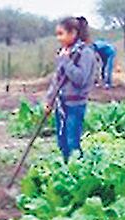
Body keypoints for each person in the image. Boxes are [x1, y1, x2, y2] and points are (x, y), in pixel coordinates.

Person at [45, 16, 97, 162]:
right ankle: (66, 171)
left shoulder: (85, 53)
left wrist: (65, 61)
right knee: (62, 142)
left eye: (61, 34)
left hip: (75, 105)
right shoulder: (64, 52)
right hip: (61, 103)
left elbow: (80, 79)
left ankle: (78, 173)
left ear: (73, 33)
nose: (58, 38)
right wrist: (49, 100)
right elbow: (57, 80)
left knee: (72, 142)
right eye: (57, 34)